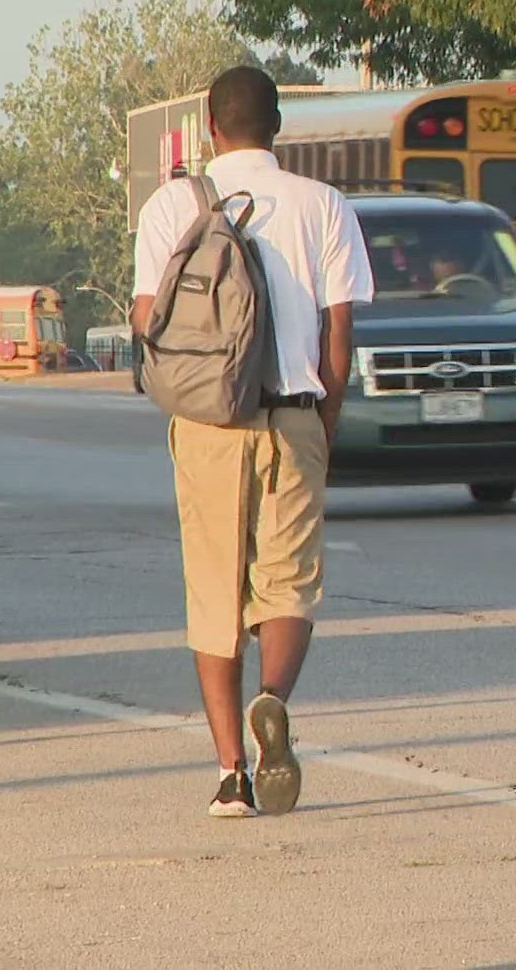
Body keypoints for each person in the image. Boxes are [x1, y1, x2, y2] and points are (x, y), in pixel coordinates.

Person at [130, 67, 374, 818]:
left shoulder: (174, 204)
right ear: (279, 126)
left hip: (206, 424)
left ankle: (233, 774)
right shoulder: (324, 205)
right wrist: (324, 423)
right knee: (289, 584)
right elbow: (341, 331)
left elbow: (146, 320)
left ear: (210, 125)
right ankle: (273, 699)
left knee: (213, 592)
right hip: (293, 411)